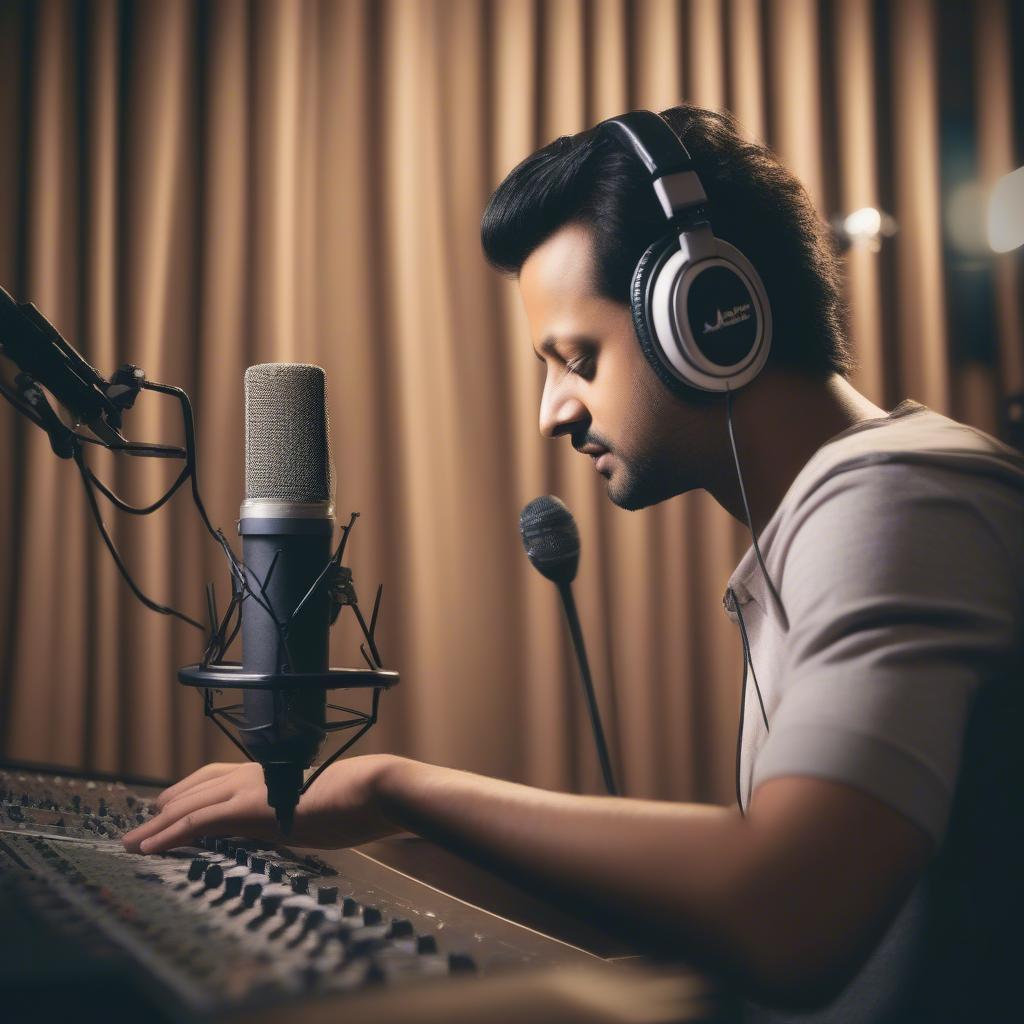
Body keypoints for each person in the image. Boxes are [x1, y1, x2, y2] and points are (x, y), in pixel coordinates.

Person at [123, 105, 1024, 1021]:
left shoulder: (901, 499)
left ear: (708, 315)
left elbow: (787, 908)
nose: (552, 413)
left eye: (575, 358)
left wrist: (391, 783)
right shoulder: (849, 510)